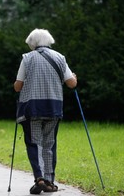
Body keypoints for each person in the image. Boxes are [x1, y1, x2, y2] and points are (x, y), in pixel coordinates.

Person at [13, 28, 77, 194]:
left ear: (32, 43)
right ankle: (48, 181)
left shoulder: (27, 58)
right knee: (49, 145)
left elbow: (17, 86)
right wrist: (74, 77)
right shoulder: (60, 57)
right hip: (54, 107)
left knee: (35, 143)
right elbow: (71, 83)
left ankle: (40, 178)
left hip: (33, 108)